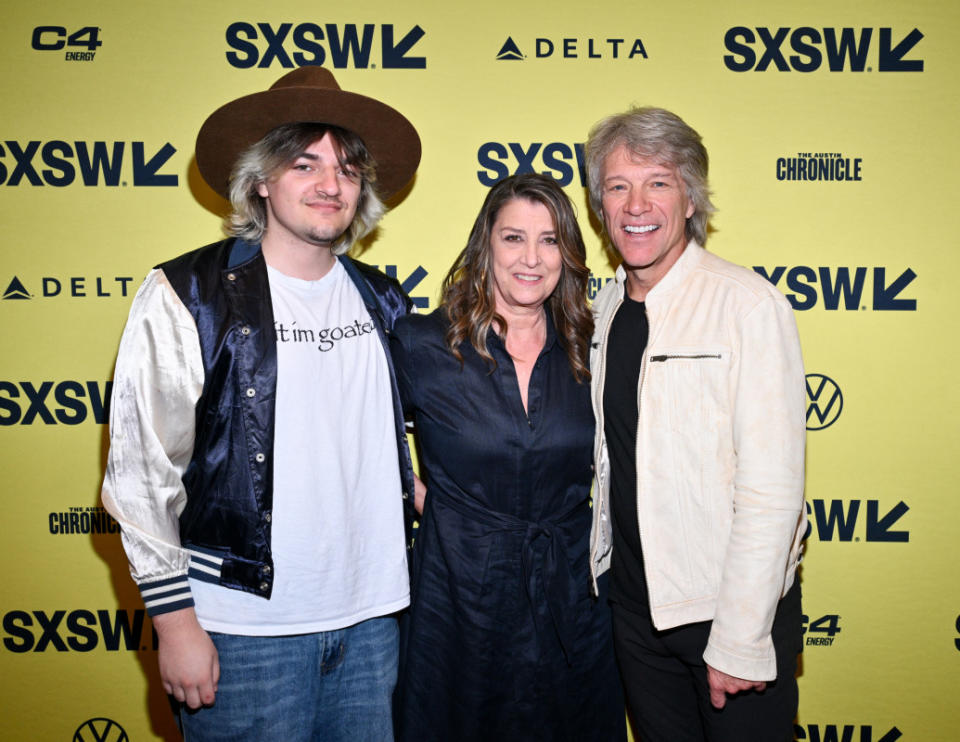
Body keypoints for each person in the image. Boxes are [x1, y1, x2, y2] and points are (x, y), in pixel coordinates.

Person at [101, 67, 421, 741]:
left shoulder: (382, 298)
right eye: (304, 163)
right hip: (244, 631)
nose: (330, 184)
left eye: (347, 168)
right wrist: (175, 621)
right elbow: (140, 475)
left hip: (374, 624)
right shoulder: (188, 294)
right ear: (261, 181)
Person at [584, 106, 807, 742]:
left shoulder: (746, 304)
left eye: (658, 182)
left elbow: (772, 490)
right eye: (618, 186)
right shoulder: (600, 311)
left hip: (725, 617)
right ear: (601, 206)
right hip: (633, 613)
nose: (636, 204)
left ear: (690, 199)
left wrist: (738, 637)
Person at [390, 174, 626, 742]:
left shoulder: (595, 345)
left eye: (549, 241)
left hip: (571, 594)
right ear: (485, 245)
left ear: (567, 253)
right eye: (513, 238)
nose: (531, 258)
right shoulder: (422, 343)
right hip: (458, 593)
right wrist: (422, 496)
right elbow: (356, 438)